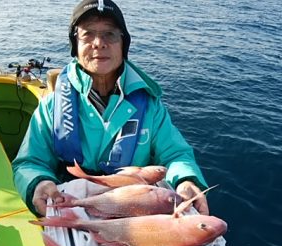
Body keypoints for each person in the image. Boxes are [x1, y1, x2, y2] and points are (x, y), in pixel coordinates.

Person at [12, 0, 209, 217]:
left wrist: (186, 179)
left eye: (110, 34)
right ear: (75, 45)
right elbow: (30, 162)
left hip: (134, 212)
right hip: (70, 208)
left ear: (123, 45)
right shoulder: (52, 106)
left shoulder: (151, 106)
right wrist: (38, 184)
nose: (99, 43)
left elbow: (175, 155)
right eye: (87, 34)